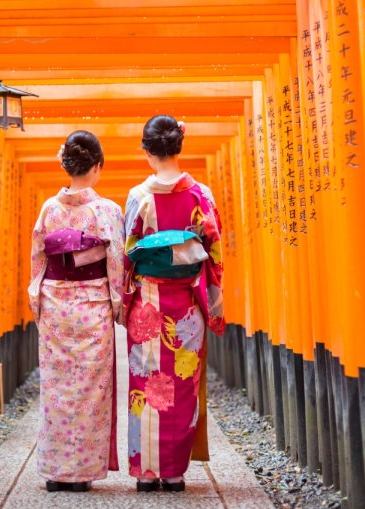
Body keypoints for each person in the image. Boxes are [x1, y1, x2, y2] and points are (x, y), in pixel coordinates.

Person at [123, 115, 225, 492]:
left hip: (148, 302)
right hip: (185, 307)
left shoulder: (138, 197)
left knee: (146, 381)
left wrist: (124, 299)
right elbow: (213, 255)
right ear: (178, 146)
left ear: (148, 151)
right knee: (182, 383)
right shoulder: (202, 195)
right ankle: (175, 472)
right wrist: (213, 299)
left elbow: (128, 252)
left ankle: (146, 472)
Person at [28, 130, 124, 493]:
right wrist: (118, 306)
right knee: (89, 389)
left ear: (66, 165)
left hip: (55, 304)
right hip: (92, 305)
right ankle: (80, 472)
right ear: (97, 167)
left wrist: (37, 302)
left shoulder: (49, 209)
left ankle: (56, 471)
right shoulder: (107, 211)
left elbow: (38, 260)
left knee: (56, 388)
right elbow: (116, 264)